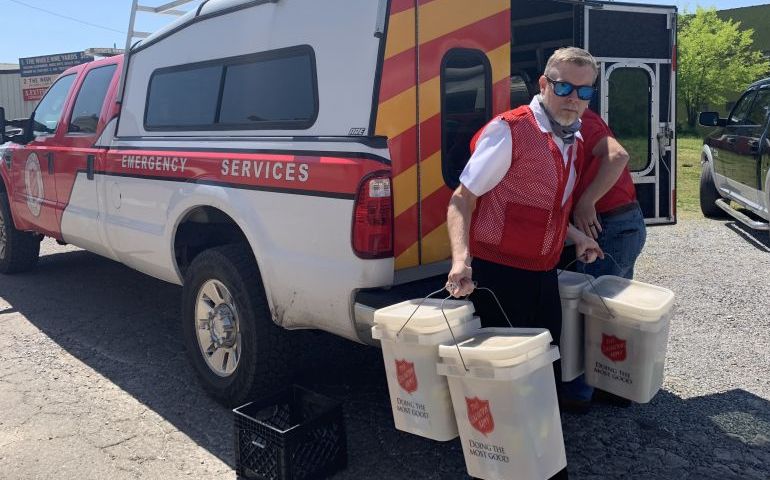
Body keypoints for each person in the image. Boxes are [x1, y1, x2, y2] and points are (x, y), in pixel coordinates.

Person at [445, 47, 604, 479]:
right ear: (544, 84)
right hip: (499, 277)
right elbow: (462, 201)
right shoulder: (510, 131)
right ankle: (499, 467)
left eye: (584, 89)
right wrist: (461, 261)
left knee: (541, 373)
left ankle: (539, 462)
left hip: (542, 273)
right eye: (565, 86)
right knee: (503, 384)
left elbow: (542, 206)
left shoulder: (574, 136)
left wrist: (572, 236)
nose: (574, 97)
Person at [560, 108, 648, 410]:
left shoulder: (582, 120)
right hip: (623, 223)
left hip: (608, 225)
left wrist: (587, 202)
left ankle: (579, 394)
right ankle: (615, 386)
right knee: (612, 312)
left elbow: (618, 156)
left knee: (592, 311)